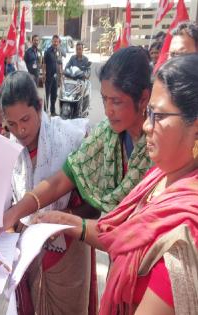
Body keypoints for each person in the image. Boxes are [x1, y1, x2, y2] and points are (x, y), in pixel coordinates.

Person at [35, 54, 198, 315]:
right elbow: (123, 235)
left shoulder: (186, 229)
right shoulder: (160, 176)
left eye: (158, 115)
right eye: (149, 115)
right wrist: (66, 222)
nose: (147, 125)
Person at [4, 46, 153, 247]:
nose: (108, 111)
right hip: (117, 256)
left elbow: (139, 231)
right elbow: (61, 181)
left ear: (143, 98)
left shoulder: (158, 147)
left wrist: (68, 221)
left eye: (116, 101)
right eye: (104, 99)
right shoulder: (106, 134)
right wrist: (14, 213)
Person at [1, 71, 91, 315]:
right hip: (29, 256)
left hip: (69, 254)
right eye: (12, 124)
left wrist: (61, 220)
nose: (20, 130)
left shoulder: (72, 139)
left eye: (26, 119)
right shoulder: (8, 151)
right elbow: (8, 208)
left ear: (40, 106)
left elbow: (93, 206)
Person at [43, 35, 65, 116]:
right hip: (49, 76)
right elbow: (44, 63)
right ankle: (45, 112)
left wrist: (61, 74)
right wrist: (44, 74)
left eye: (57, 41)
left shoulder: (59, 51)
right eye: (54, 41)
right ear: (52, 41)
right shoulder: (48, 51)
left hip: (56, 77)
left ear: (58, 42)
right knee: (47, 94)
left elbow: (60, 63)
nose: (56, 43)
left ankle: (53, 111)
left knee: (54, 95)